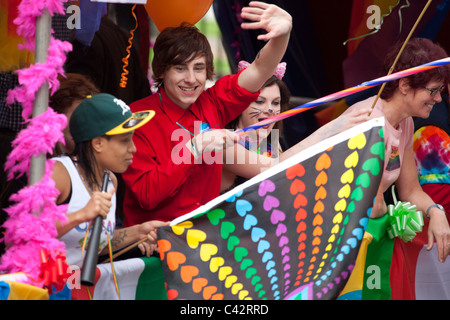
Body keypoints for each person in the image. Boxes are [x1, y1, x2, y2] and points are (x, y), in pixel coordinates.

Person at [121, 2, 294, 226]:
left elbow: (260, 70)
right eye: (180, 68)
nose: (191, 79)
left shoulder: (213, 101)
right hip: (154, 245)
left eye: (199, 68)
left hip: (206, 240)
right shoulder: (137, 117)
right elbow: (147, 195)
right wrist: (194, 147)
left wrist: (283, 34)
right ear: (162, 70)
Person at [351, 38, 450, 263]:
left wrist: (436, 211)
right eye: (433, 90)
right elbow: (370, 204)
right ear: (404, 85)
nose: (438, 99)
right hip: (344, 237)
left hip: (367, 232)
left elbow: (410, 191)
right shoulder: (370, 122)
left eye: (440, 90)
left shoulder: (405, 123)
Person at [51, 93, 167, 268]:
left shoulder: (110, 180)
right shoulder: (58, 173)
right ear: (98, 143)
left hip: (76, 289)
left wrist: (138, 232)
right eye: (125, 140)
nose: (133, 148)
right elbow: (23, 235)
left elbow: (94, 245)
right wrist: (81, 215)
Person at [221, 61, 373, 193]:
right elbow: (275, 168)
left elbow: (283, 180)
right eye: (260, 102)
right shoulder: (221, 143)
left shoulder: (268, 141)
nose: (270, 110)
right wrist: (330, 129)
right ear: (239, 104)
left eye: (275, 103)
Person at [49, 73, 101, 156]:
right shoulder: (39, 166)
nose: (89, 124)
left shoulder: (101, 164)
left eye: (92, 116)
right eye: (80, 117)